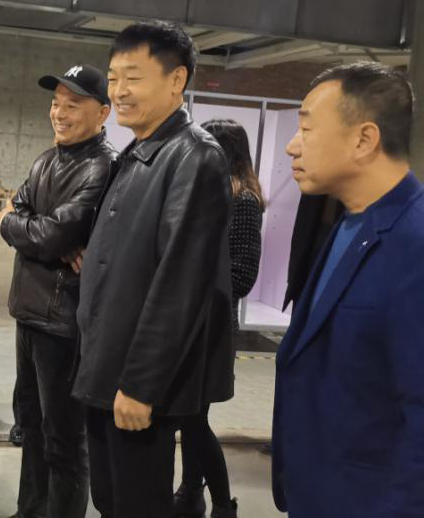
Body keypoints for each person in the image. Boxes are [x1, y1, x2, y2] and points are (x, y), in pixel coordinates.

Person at [71, 22, 235, 518]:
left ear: (176, 79)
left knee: (137, 505)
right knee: (109, 500)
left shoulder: (194, 157)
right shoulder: (140, 150)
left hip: (136, 385)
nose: (118, 90)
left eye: (134, 78)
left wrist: (141, 385)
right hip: (106, 368)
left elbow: (180, 285)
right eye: (114, 78)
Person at [273, 62, 424, 517]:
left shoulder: (414, 243)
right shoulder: (350, 223)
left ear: (364, 140)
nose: (292, 146)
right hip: (319, 489)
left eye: (306, 129)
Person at [0, 64, 115, 518]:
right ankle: (29, 511)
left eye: (73, 105)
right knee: (31, 427)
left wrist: (27, 230)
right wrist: (35, 231)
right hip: (28, 313)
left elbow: (48, 234)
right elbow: (20, 212)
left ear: (103, 113)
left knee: (63, 440)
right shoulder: (46, 160)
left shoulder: (103, 167)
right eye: (55, 103)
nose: (59, 113)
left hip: (64, 323)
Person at [174, 119, 265, 518]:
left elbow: (242, 275)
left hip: (211, 329)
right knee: (190, 417)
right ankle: (190, 493)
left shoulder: (242, 201)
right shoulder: (208, 194)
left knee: (194, 421)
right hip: (189, 324)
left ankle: (223, 505)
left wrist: (188, 279)